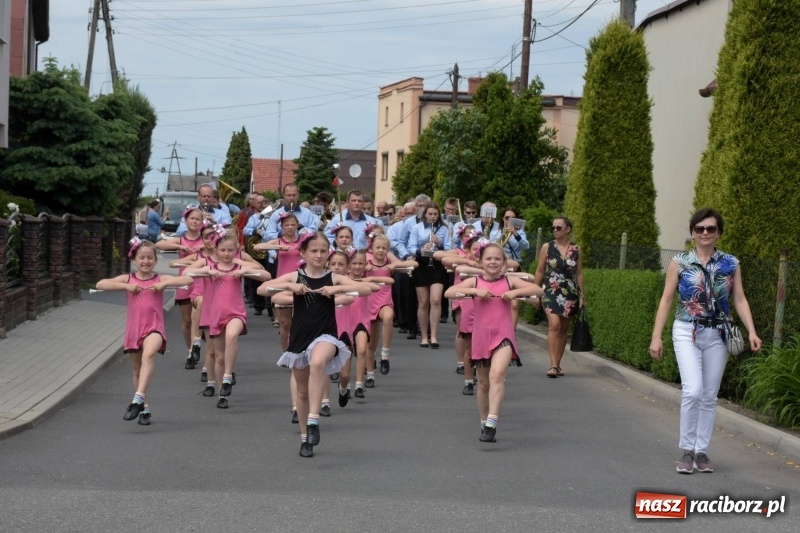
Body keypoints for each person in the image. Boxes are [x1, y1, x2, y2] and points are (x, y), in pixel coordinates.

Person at [650, 208, 761, 474]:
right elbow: (666, 299)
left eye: (711, 228)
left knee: (710, 395)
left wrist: (752, 331)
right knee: (693, 390)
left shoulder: (730, 263)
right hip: (686, 330)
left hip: (719, 334)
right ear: (692, 233)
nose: (705, 233)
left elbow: (739, 299)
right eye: (699, 228)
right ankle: (687, 450)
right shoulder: (679, 262)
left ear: (718, 233)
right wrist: (656, 336)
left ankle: (701, 451)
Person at [258, 232, 371, 458]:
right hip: (300, 336)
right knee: (302, 393)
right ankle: (305, 439)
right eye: (314, 251)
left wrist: (335, 289)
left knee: (318, 361)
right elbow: (263, 289)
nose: (319, 255)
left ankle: (313, 420)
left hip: (326, 335)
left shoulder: (333, 277)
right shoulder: (295, 276)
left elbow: (366, 289)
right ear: (303, 253)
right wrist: (291, 287)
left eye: (323, 251)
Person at [445, 242, 542, 443]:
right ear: (480, 262)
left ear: (504, 263)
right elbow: (449, 292)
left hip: (503, 336)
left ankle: (491, 423)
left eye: (497, 259)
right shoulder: (475, 281)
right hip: (481, 337)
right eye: (488, 258)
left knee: (497, 374)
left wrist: (515, 293)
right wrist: (475, 292)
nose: (493, 262)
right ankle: (484, 421)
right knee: (483, 383)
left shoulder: (509, 280)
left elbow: (537, 289)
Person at [95, 239, 193, 425]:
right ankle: (144, 408)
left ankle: (137, 399)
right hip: (134, 330)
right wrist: (126, 287)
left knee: (149, 355)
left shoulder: (159, 279)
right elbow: (100, 284)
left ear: (155, 260)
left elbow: (187, 279)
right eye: (142, 258)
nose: (146, 261)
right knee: (137, 369)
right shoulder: (128, 279)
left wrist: (164, 285)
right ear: (134, 260)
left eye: (150, 258)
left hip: (154, 328)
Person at [186, 230, 267, 409]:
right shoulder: (209, 266)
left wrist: (245, 268)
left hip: (235, 313)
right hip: (215, 315)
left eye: (230, 250)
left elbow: (265, 275)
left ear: (236, 250)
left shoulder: (238, 266)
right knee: (219, 356)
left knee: (231, 336)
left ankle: (228, 376)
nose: (226, 254)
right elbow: (188, 272)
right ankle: (222, 393)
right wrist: (207, 271)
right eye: (223, 250)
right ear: (216, 249)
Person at [532, 216, 584, 378]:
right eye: (553, 227)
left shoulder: (576, 249)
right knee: (554, 325)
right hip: (551, 289)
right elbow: (540, 270)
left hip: (569, 292)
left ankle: (558, 364)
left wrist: (582, 295)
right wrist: (534, 292)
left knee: (563, 329)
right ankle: (553, 365)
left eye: (559, 228)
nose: (555, 230)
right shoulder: (547, 247)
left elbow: (579, 273)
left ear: (568, 229)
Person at [156, 206, 205, 369]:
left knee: (196, 317)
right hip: (183, 282)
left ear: (202, 222)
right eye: (192, 218)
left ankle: (196, 347)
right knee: (186, 320)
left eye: (198, 219)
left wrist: (203, 248)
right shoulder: (181, 239)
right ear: (185, 220)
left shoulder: (205, 240)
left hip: (201, 282)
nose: (195, 221)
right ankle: (190, 350)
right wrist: (180, 247)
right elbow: (159, 244)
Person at [408, 201, 452, 348]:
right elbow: (411, 247)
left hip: (438, 265)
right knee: (423, 302)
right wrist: (422, 249)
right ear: (425, 215)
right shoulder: (417, 228)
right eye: (430, 214)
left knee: (436, 300)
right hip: (421, 264)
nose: (433, 216)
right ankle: (424, 336)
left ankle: (433, 336)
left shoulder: (444, 228)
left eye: (435, 214)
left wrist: (439, 244)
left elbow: (449, 249)